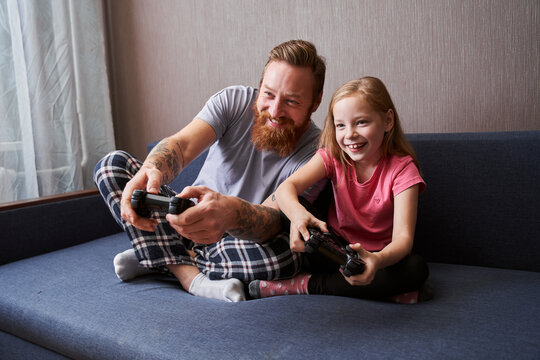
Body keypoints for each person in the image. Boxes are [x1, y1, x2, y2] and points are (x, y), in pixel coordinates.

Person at [93, 40, 327, 302]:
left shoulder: (317, 155)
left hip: (238, 241)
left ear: (315, 102)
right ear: (260, 86)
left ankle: (156, 252)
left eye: (292, 101)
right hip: (182, 214)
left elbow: (272, 221)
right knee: (110, 166)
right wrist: (152, 168)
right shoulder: (234, 100)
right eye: (269, 94)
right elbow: (182, 145)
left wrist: (231, 215)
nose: (274, 111)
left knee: (285, 258)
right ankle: (189, 276)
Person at [248, 77, 430, 303]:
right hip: (331, 251)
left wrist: (377, 261)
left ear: (388, 121)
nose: (350, 134)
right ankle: (385, 292)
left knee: (416, 269)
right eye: (340, 125)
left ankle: (304, 285)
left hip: (377, 259)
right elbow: (286, 188)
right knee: (293, 204)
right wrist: (297, 216)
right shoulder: (333, 156)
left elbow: (403, 239)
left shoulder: (402, 169)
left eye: (361, 122)